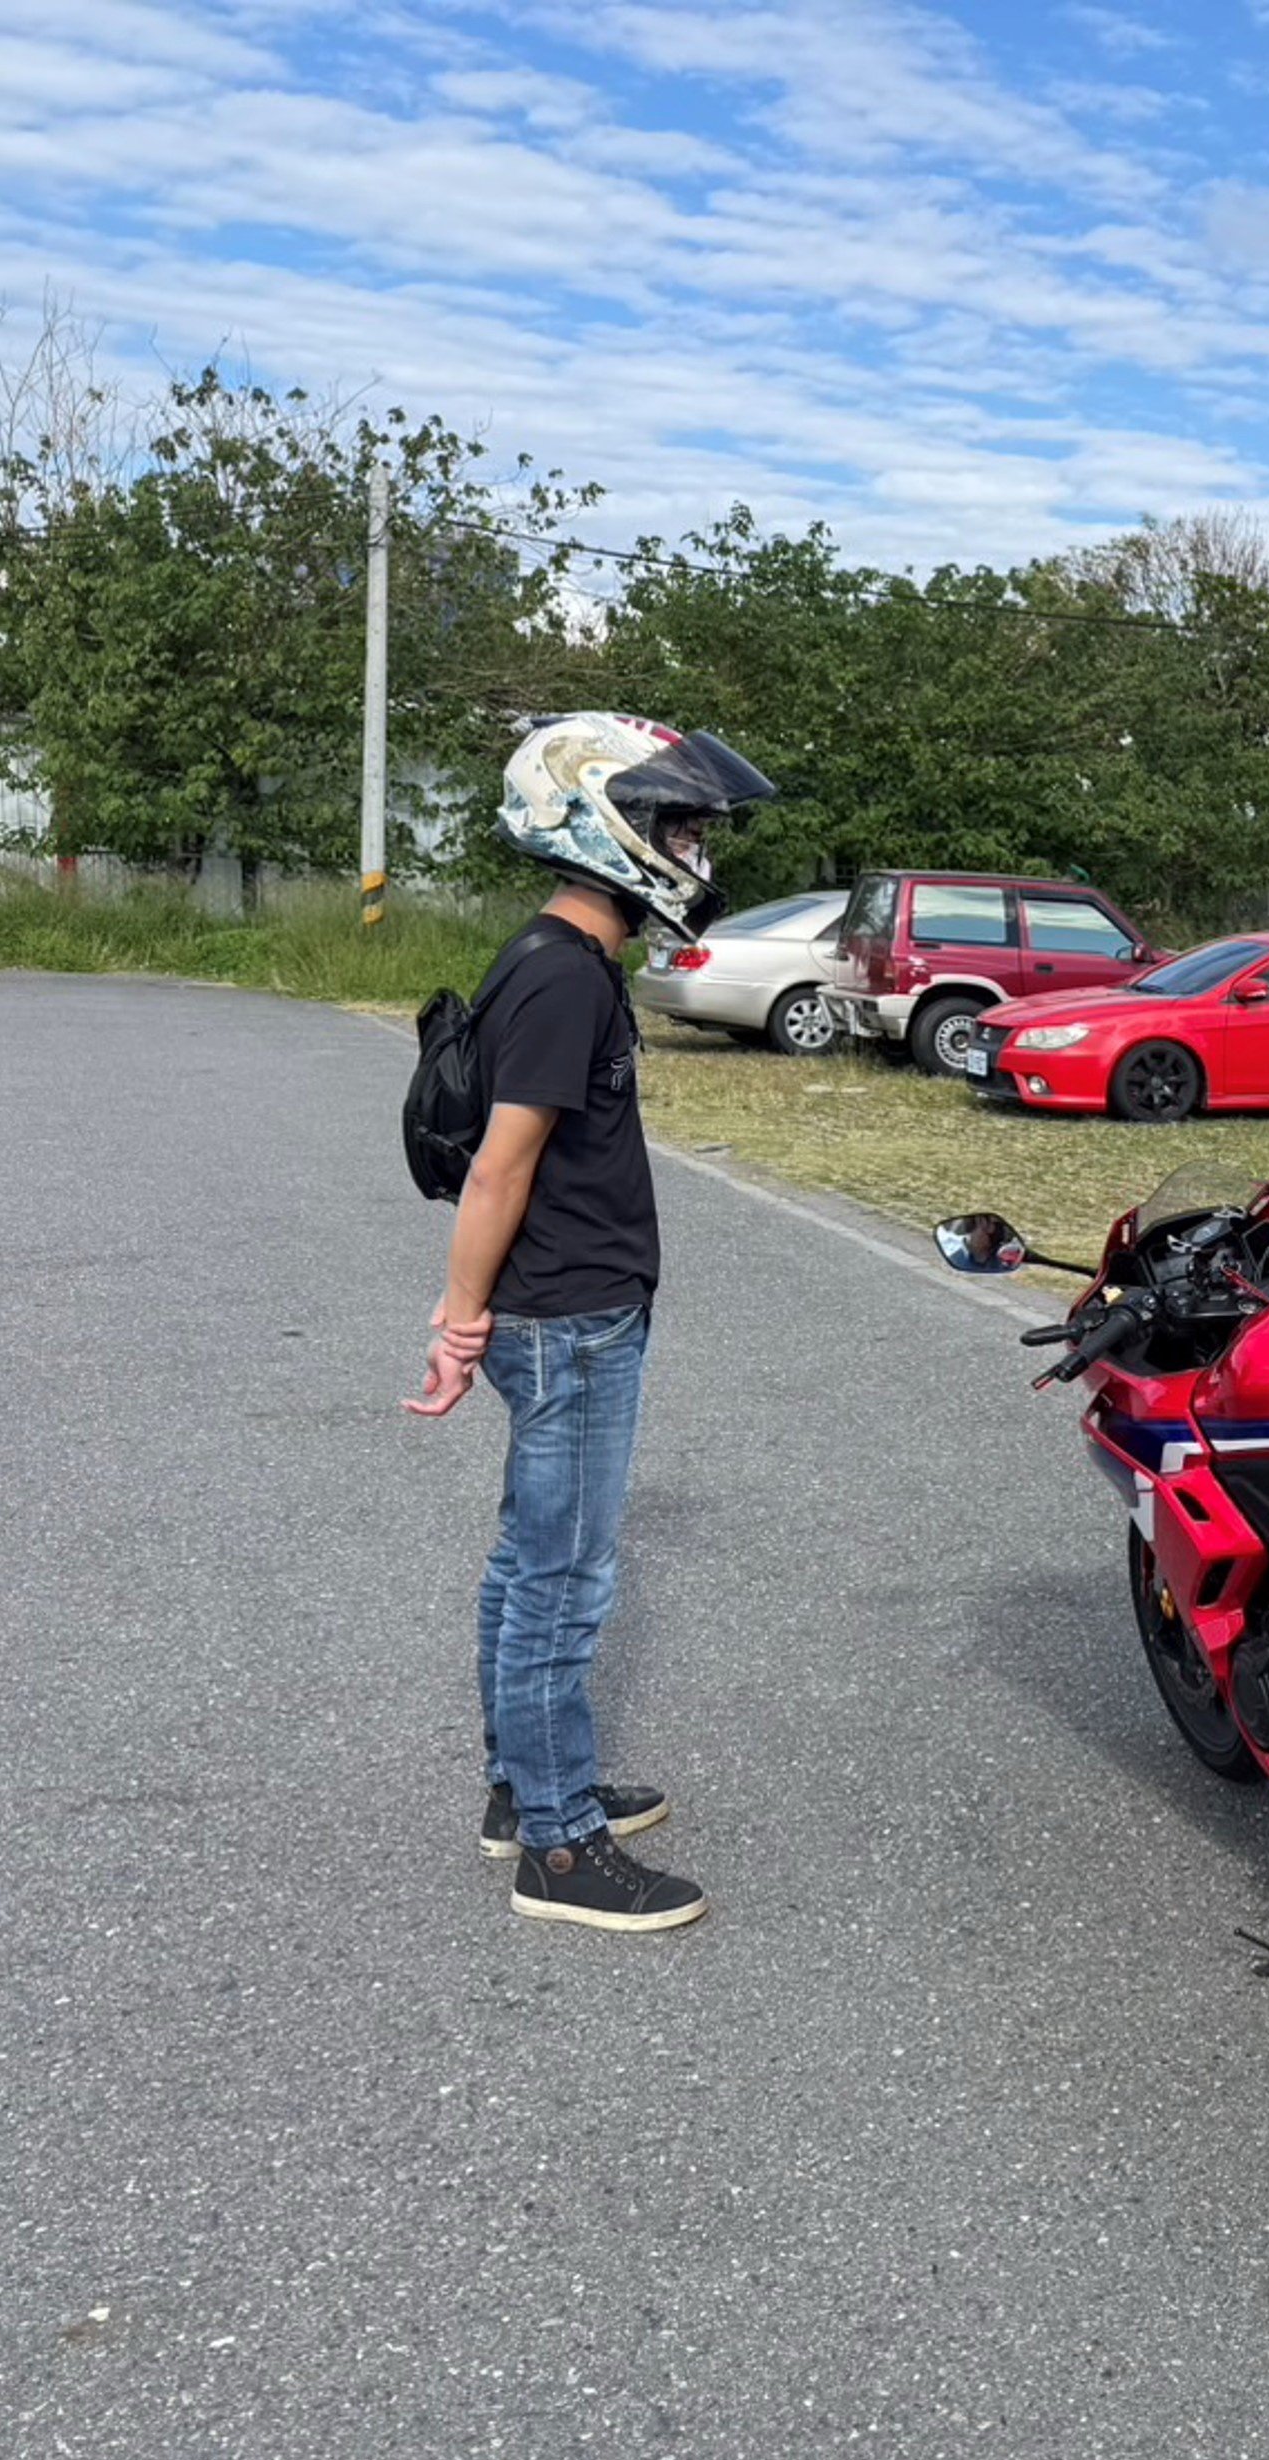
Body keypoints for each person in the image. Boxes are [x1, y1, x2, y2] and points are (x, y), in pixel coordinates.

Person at [404, 714, 776, 1933]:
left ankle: (527, 1789)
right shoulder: (562, 974)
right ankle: (558, 1853)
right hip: (567, 1321)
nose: (697, 850)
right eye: (676, 825)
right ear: (597, 824)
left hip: (565, 1308)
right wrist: (461, 1324)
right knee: (562, 1581)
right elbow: (499, 1171)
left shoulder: (568, 961)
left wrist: (475, 1315)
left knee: (529, 1564)